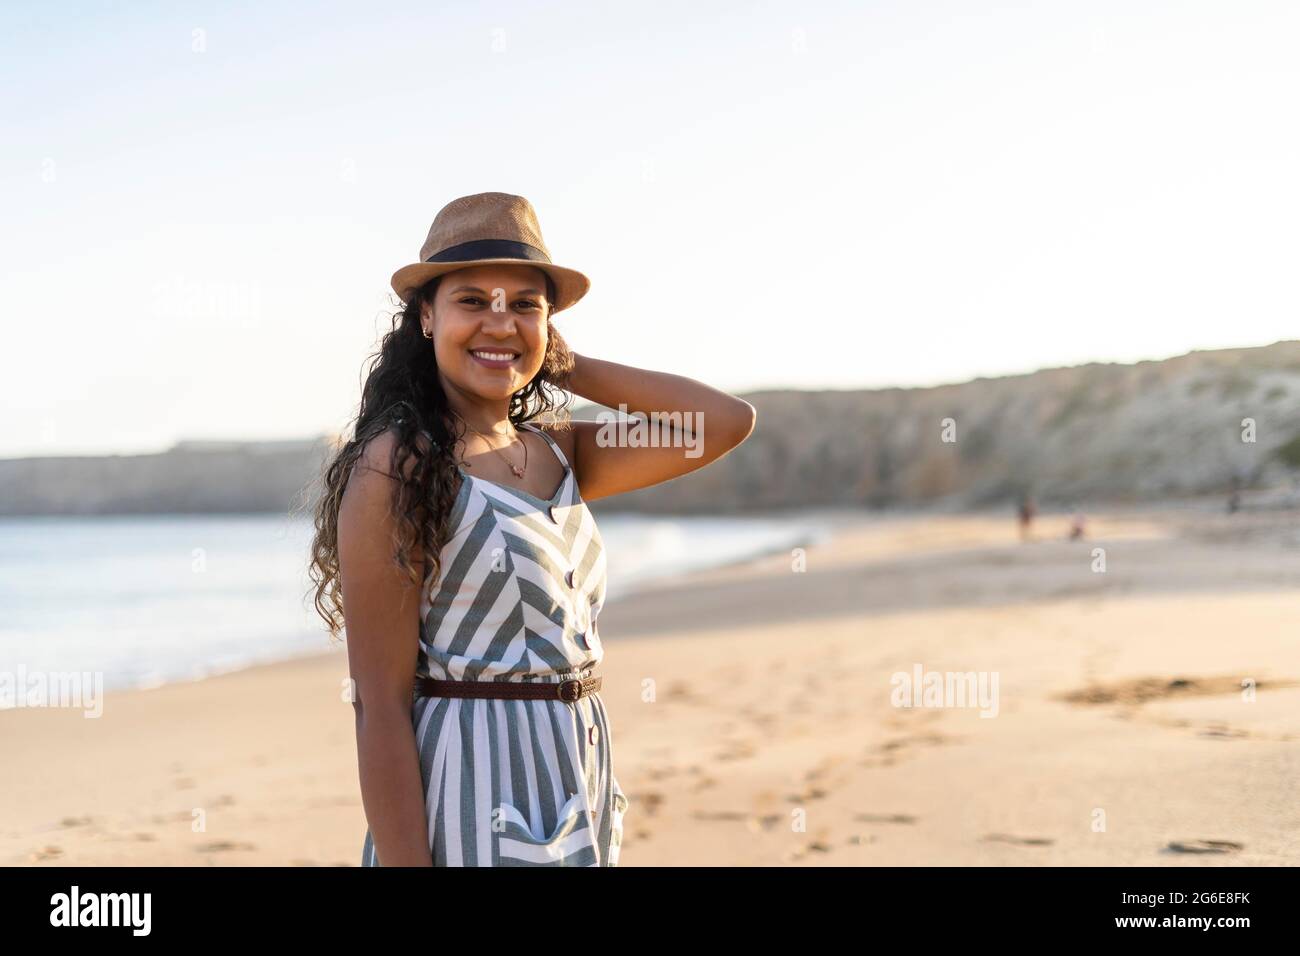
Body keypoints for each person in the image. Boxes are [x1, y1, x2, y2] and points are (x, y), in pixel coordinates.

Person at [308, 193, 756, 866]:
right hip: (470, 787)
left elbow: (720, 423)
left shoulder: (553, 448)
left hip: (577, 770)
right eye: (472, 302)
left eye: (524, 304)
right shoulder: (395, 465)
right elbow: (378, 705)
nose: (499, 322)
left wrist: (561, 364)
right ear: (426, 317)